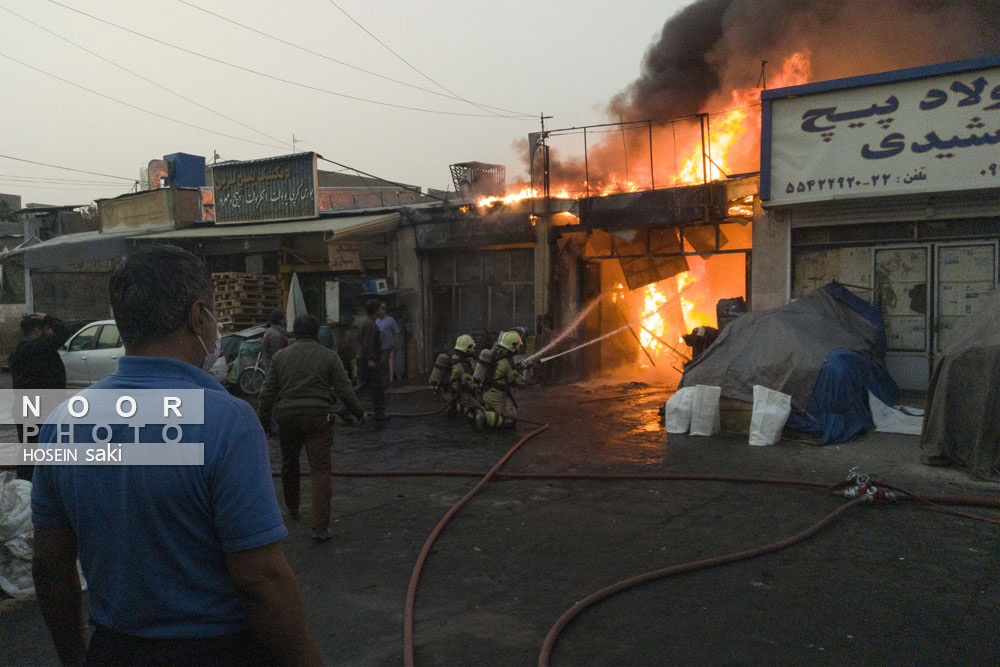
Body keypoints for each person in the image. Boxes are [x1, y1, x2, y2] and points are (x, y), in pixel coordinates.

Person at [30, 245, 320, 666]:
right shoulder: (226, 420)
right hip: (215, 651)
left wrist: (76, 658)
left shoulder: (62, 422)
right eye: (214, 317)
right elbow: (261, 578)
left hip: (113, 649)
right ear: (197, 316)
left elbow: (49, 562)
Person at [258, 314, 367, 542]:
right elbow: (344, 389)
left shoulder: (280, 358)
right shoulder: (329, 356)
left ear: (294, 334)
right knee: (320, 470)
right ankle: (319, 526)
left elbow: (267, 393)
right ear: (317, 333)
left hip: (287, 416)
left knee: (289, 463)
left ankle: (293, 509)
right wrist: (360, 412)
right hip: (319, 417)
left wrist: (264, 423)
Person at [8, 312, 70, 482]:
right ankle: (43, 487)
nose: (50, 332)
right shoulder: (39, 348)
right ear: (37, 330)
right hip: (42, 406)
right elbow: (64, 332)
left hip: (25, 405)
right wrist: (48, 317)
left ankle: (26, 486)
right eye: (47, 329)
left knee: (30, 450)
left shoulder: (18, 352)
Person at [475, 331, 524, 430]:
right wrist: (522, 371)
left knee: (500, 410)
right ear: (513, 346)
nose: (518, 348)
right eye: (517, 346)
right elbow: (516, 382)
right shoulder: (508, 361)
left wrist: (516, 368)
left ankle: (484, 411)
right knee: (511, 419)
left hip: (487, 393)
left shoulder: (495, 355)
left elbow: (501, 371)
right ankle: (484, 417)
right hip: (497, 396)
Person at [358, 299, 387, 421]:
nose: (383, 311)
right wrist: (371, 359)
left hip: (365, 360)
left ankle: (344, 408)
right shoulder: (370, 324)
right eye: (381, 309)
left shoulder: (366, 322)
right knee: (377, 386)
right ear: (375, 311)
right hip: (369, 361)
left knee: (364, 386)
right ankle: (379, 412)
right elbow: (369, 343)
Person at [444, 334, 482, 419]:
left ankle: (455, 407)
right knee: (479, 408)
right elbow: (470, 386)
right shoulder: (462, 365)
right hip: (455, 394)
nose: (473, 350)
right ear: (466, 349)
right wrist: (478, 388)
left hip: (449, 392)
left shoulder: (454, 358)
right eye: (471, 348)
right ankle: (455, 407)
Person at [376, 302, 402, 386]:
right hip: (379, 346)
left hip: (388, 346)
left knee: (385, 362)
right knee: (381, 363)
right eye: (381, 309)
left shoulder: (390, 320)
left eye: (384, 309)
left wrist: (396, 344)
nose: (382, 311)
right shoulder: (375, 321)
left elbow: (396, 333)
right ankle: (384, 379)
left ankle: (387, 379)